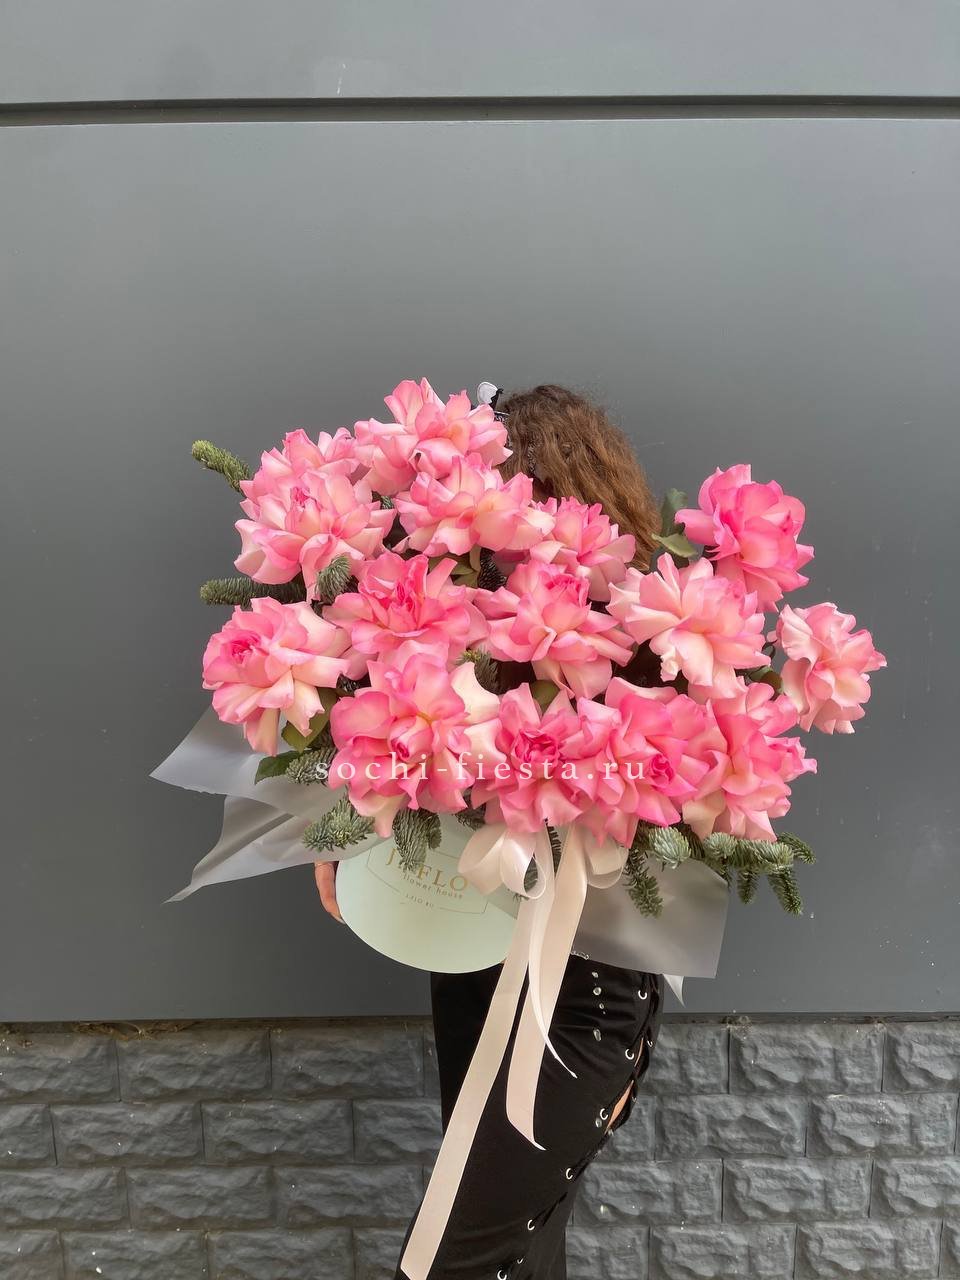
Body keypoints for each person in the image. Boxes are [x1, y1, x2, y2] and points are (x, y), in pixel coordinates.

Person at [314, 384, 666, 1279]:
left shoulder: (640, 637)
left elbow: (675, 829)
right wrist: (344, 829)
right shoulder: (460, 618)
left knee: (455, 1261)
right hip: (475, 966)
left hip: (583, 1000)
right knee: (517, 1255)